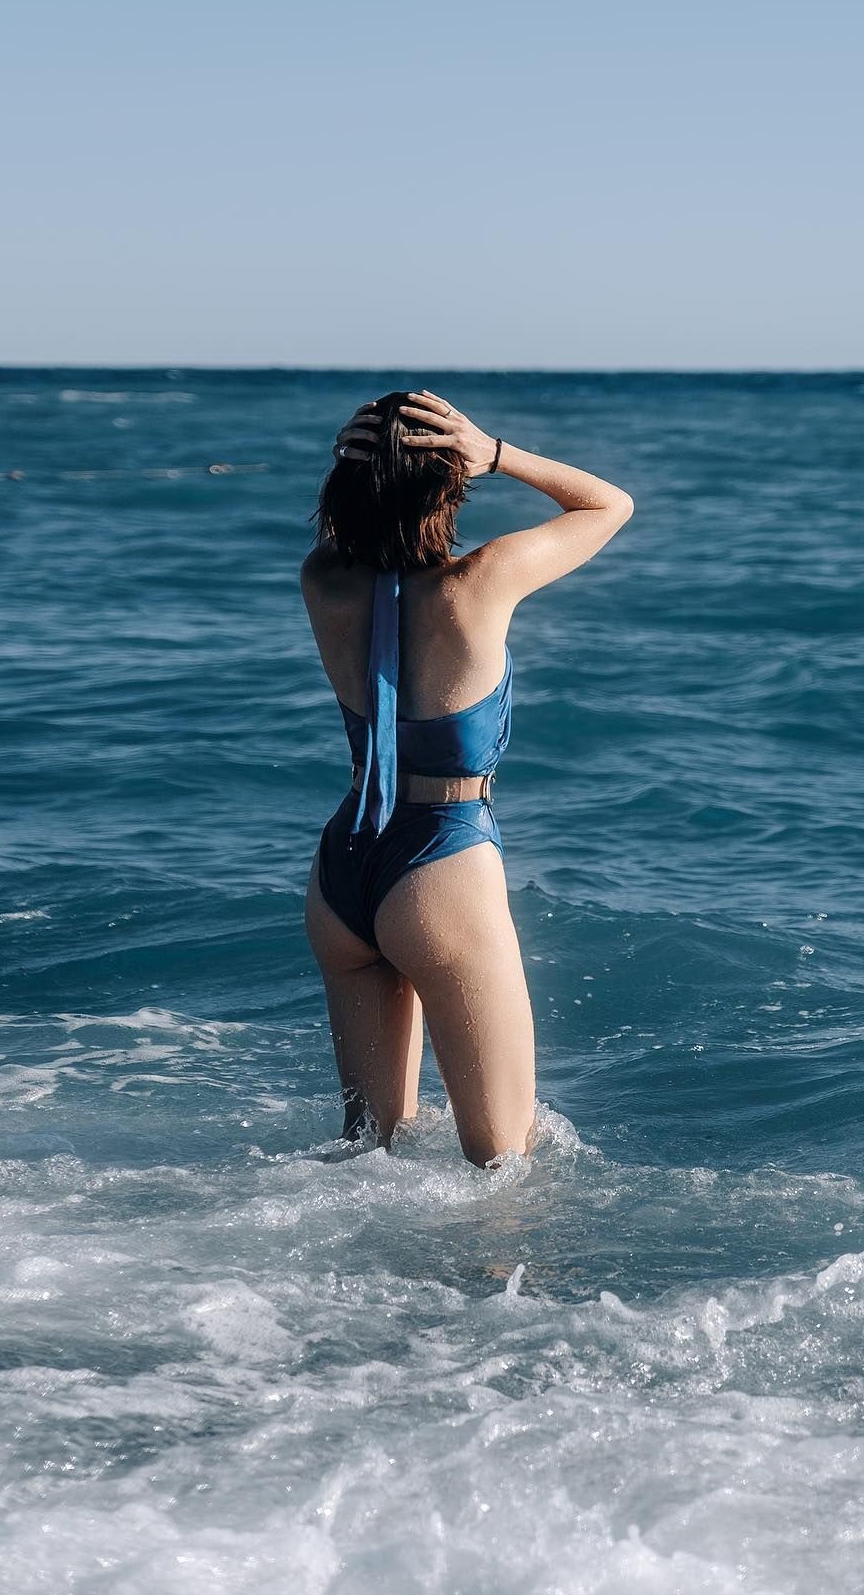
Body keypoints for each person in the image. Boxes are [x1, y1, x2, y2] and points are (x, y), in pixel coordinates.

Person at [300, 389, 634, 1166]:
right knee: (502, 1165)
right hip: (440, 862)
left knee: (366, 1155)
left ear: (349, 478)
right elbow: (609, 505)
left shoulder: (323, 581)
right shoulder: (480, 582)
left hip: (343, 866)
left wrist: (361, 463)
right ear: (451, 485)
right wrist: (498, 453)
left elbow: (352, 532)